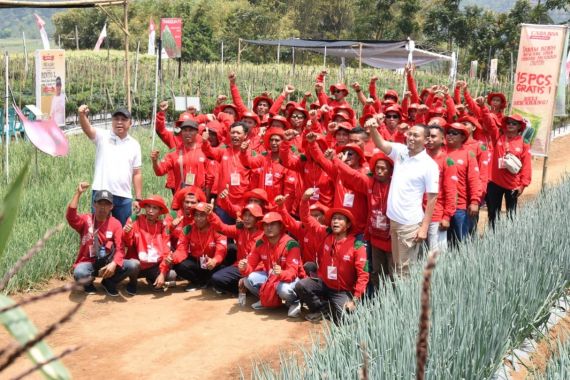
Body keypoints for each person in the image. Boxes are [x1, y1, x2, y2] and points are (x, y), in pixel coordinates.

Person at [369, 117, 439, 276]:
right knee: (397, 265)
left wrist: (424, 228)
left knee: (404, 270)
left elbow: (432, 198)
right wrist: (373, 128)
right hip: (394, 220)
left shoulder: (429, 166)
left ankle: (405, 299)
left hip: (409, 224)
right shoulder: (401, 152)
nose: (411, 138)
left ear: (426, 139)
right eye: (410, 134)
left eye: (416, 135)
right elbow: (381, 144)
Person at [295, 189, 369, 323]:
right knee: (302, 285)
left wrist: (355, 299)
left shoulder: (357, 245)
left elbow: (363, 274)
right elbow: (306, 219)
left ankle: (335, 308)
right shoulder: (325, 233)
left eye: (340, 219)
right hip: (324, 284)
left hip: (342, 290)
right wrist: (305, 200)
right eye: (334, 218)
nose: (335, 221)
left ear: (348, 225)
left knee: (346, 320)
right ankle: (322, 309)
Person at [66, 182, 135, 296]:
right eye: (100, 203)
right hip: (89, 262)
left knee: (132, 265)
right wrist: (78, 193)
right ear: (94, 205)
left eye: (107, 204)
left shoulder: (116, 224)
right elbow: (71, 217)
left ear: (112, 207)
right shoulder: (86, 220)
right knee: (79, 272)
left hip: (108, 262)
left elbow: (120, 249)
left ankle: (109, 282)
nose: (103, 207)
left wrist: (114, 263)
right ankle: (88, 284)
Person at [78, 104, 142, 226]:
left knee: (123, 232)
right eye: (116, 119)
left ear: (130, 123)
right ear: (112, 121)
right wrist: (81, 115)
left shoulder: (134, 145)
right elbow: (87, 129)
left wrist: (138, 198)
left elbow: (137, 173)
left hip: (123, 196)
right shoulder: (103, 136)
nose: (119, 122)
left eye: (123, 119)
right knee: (98, 230)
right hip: (101, 192)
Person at [238, 212, 302, 317]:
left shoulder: (291, 244)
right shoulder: (260, 242)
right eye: (266, 225)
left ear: (280, 226)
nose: (269, 228)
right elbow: (250, 265)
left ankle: (294, 302)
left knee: (283, 289)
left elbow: (293, 273)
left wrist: (281, 273)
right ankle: (265, 299)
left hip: (291, 279)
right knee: (248, 280)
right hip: (271, 276)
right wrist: (244, 267)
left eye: (272, 224)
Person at [159, 202, 227, 291]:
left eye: (202, 215)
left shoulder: (217, 228)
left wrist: (214, 260)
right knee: (179, 265)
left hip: (214, 263)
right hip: (197, 262)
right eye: (196, 215)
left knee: (230, 253)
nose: (198, 219)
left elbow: (221, 250)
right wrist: (172, 259)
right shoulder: (188, 229)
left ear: (208, 216)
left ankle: (212, 281)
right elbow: (181, 250)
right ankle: (198, 282)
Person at [481, 112, 532, 228]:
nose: (510, 125)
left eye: (514, 123)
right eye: (508, 122)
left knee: (511, 215)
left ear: (520, 127)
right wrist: (484, 107)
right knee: (493, 214)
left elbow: (526, 166)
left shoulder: (524, 144)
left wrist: (522, 185)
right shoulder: (498, 137)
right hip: (494, 182)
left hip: (513, 185)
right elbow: (489, 123)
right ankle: (493, 239)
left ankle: (509, 239)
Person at [209, 203, 265, 295]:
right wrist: (211, 214)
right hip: (240, 267)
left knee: (255, 279)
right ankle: (243, 290)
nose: (246, 219)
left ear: (257, 218)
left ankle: (251, 287)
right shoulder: (240, 229)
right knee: (216, 279)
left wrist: (249, 271)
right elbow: (222, 228)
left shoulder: (264, 235)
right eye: (245, 215)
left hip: (257, 270)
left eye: (250, 216)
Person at [123, 195, 173, 294]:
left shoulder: (163, 226)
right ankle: (133, 282)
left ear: (160, 211)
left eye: (154, 208)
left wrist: (162, 274)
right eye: (148, 207)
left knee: (171, 275)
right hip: (137, 265)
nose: (150, 210)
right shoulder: (135, 220)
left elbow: (166, 252)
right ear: (144, 207)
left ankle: (152, 280)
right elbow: (128, 244)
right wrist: (127, 233)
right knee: (133, 265)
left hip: (153, 266)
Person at [151, 119, 213, 195]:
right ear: (181, 133)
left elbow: (209, 178)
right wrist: (155, 161)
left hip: (199, 198)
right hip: (181, 198)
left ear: (197, 132)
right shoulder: (174, 153)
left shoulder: (204, 151)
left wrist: (207, 198)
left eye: (191, 130)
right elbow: (159, 172)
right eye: (185, 130)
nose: (187, 133)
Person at [443, 123, 481, 243]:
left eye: (454, 133)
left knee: (461, 242)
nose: (450, 135)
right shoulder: (440, 152)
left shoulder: (468, 154)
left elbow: (474, 179)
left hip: (460, 207)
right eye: (448, 132)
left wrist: (475, 201)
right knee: (443, 244)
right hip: (441, 207)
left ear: (463, 137)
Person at [425, 125, 458, 252]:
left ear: (442, 139)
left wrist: (447, 217)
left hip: (436, 215)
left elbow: (451, 191)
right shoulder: (419, 158)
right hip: (418, 214)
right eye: (427, 136)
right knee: (420, 255)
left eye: (433, 136)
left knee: (435, 255)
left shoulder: (447, 161)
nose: (429, 139)